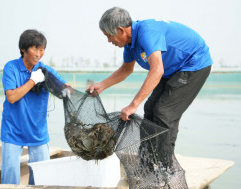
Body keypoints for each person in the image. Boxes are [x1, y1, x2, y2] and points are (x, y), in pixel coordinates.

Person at [87, 7, 213, 155]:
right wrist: (102, 85)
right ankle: (147, 160)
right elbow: (125, 70)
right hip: (171, 69)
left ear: (121, 30)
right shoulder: (129, 45)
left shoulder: (147, 33)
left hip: (193, 64)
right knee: (150, 108)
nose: (109, 41)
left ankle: (165, 167)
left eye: (109, 36)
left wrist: (133, 105)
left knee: (164, 112)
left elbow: (157, 70)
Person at [0, 29, 68, 185]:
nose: (39, 53)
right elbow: (11, 97)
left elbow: (65, 89)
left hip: (38, 131)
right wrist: (33, 81)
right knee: (10, 176)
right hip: (13, 130)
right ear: (23, 49)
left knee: (41, 177)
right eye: (35, 49)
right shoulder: (11, 68)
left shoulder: (46, 70)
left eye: (42, 49)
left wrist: (68, 89)